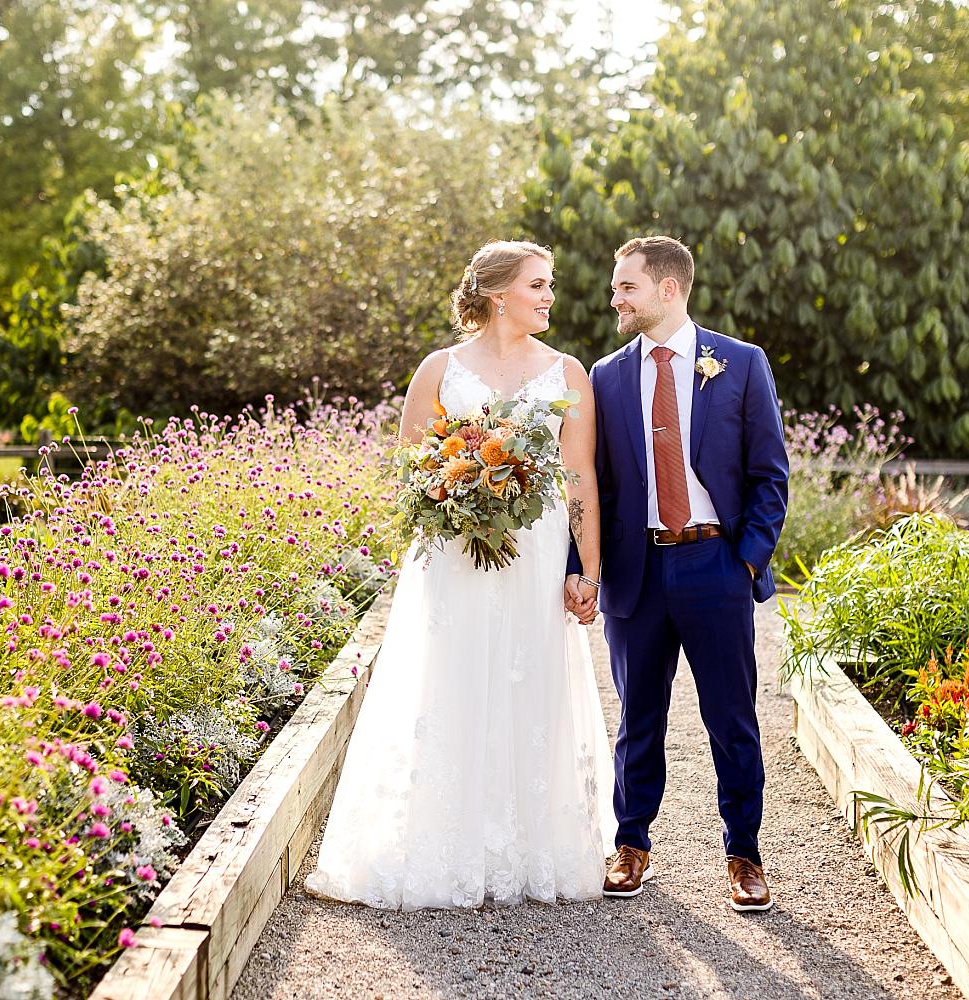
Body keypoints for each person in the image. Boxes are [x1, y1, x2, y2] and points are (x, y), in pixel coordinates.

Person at [305, 240, 615, 909]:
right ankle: (440, 844)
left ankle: (527, 848)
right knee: (452, 678)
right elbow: (409, 463)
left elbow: (579, 474)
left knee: (530, 677)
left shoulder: (567, 373)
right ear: (499, 292)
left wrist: (587, 568)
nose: (549, 296)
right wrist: (459, 492)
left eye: (549, 285)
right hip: (454, 547)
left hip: (534, 549)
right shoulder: (439, 369)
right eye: (538, 285)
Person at [567, 236, 789, 912]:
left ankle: (744, 855)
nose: (616, 298)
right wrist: (586, 568)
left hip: (714, 564)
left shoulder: (742, 364)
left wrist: (745, 559)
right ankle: (631, 845)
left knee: (732, 717)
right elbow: (592, 484)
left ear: (669, 289)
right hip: (638, 570)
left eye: (627, 286)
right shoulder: (605, 374)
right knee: (637, 717)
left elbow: (770, 475)